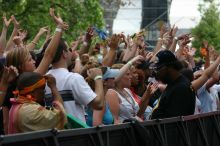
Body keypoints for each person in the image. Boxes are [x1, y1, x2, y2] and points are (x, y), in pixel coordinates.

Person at [44, 38, 105, 123]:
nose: (71, 52)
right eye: (69, 49)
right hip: (75, 134)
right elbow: (98, 105)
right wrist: (98, 78)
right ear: (64, 54)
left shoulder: (43, 78)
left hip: (54, 132)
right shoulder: (73, 79)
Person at [150, 50, 195, 119]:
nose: (157, 73)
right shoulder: (173, 83)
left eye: (158, 69)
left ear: (170, 67)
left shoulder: (181, 88)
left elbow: (173, 121)